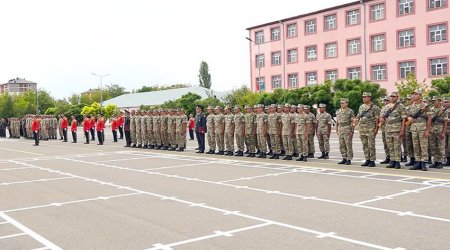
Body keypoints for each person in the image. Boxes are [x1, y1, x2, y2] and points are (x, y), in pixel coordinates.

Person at [407, 89, 432, 171]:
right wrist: (409, 118)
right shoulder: (410, 106)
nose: (414, 95)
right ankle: (417, 162)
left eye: (416, 94)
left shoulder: (425, 106)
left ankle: (423, 163)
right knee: (416, 146)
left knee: (423, 146)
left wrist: (428, 130)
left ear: (420, 96)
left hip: (423, 128)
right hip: (414, 129)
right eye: (413, 94)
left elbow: (429, 119)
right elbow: (408, 115)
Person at [355, 92, 380, 167]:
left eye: (365, 97)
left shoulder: (374, 107)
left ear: (369, 98)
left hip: (370, 129)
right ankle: (367, 159)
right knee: (364, 145)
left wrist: (376, 129)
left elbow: (377, 119)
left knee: (371, 145)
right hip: (362, 129)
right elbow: (359, 115)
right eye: (363, 97)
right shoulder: (361, 107)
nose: (363, 98)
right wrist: (356, 120)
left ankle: (372, 160)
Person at [383, 92, 407, 169]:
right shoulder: (387, 107)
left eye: (394, 96)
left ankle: (397, 161)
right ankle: (392, 161)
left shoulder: (401, 106)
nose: (392, 97)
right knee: (390, 146)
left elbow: (404, 118)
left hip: (397, 129)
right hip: (388, 129)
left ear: (397, 97)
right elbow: (382, 117)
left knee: (397, 146)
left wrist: (402, 130)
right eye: (391, 96)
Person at [429, 96, 448, 169]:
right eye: (433, 100)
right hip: (432, 131)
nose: (434, 102)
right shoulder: (431, 109)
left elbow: (445, 122)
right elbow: (429, 121)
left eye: (435, 100)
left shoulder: (443, 110)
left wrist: (443, 132)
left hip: (440, 130)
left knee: (440, 147)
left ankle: (440, 162)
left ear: (439, 101)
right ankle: (435, 161)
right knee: (433, 146)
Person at [335, 98, 355, 165]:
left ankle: (349, 159)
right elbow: (337, 121)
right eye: (341, 103)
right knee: (341, 145)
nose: (341, 104)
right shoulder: (338, 111)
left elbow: (353, 121)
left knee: (348, 145)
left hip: (347, 128)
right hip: (340, 129)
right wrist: (336, 129)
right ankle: (344, 158)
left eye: (343, 103)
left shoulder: (350, 111)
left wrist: (352, 131)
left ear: (347, 103)